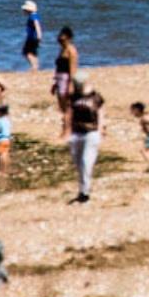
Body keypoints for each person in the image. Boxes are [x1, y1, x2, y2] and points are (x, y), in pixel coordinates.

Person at [62, 72, 104, 203]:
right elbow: (68, 113)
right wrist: (65, 130)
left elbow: (101, 114)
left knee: (87, 162)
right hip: (76, 133)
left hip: (91, 133)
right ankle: (82, 189)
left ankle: (85, 193)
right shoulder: (73, 97)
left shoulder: (95, 97)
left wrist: (101, 130)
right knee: (78, 163)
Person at [50, 25, 78, 136]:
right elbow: (58, 68)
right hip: (60, 79)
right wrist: (54, 83)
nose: (61, 39)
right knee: (62, 107)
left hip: (67, 79)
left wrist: (71, 84)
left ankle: (66, 131)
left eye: (63, 37)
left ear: (69, 38)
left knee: (67, 106)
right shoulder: (62, 50)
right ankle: (67, 129)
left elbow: (73, 69)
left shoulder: (71, 51)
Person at [20, 0, 42, 72]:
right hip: (33, 37)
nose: (24, 11)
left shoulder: (33, 16)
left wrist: (39, 35)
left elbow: (37, 25)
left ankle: (34, 66)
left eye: (25, 10)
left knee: (26, 52)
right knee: (33, 52)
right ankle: (36, 66)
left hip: (32, 38)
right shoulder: (35, 15)